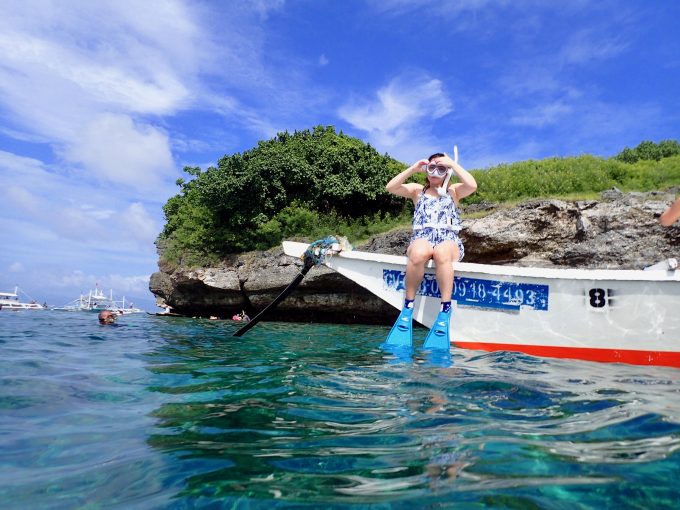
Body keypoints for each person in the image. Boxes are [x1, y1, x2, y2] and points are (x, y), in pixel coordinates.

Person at [384, 148, 477, 347]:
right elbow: (391, 187)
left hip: (448, 239)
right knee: (418, 253)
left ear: (448, 171)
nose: (435, 172)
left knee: (442, 252)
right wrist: (413, 168)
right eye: (432, 168)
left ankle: (445, 311)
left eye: (441, 168)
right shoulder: (417, 190)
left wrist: (452, 164)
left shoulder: (454, 191)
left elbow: (472, 184)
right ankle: (408, 308)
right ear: (426, 170)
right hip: (422, 237)